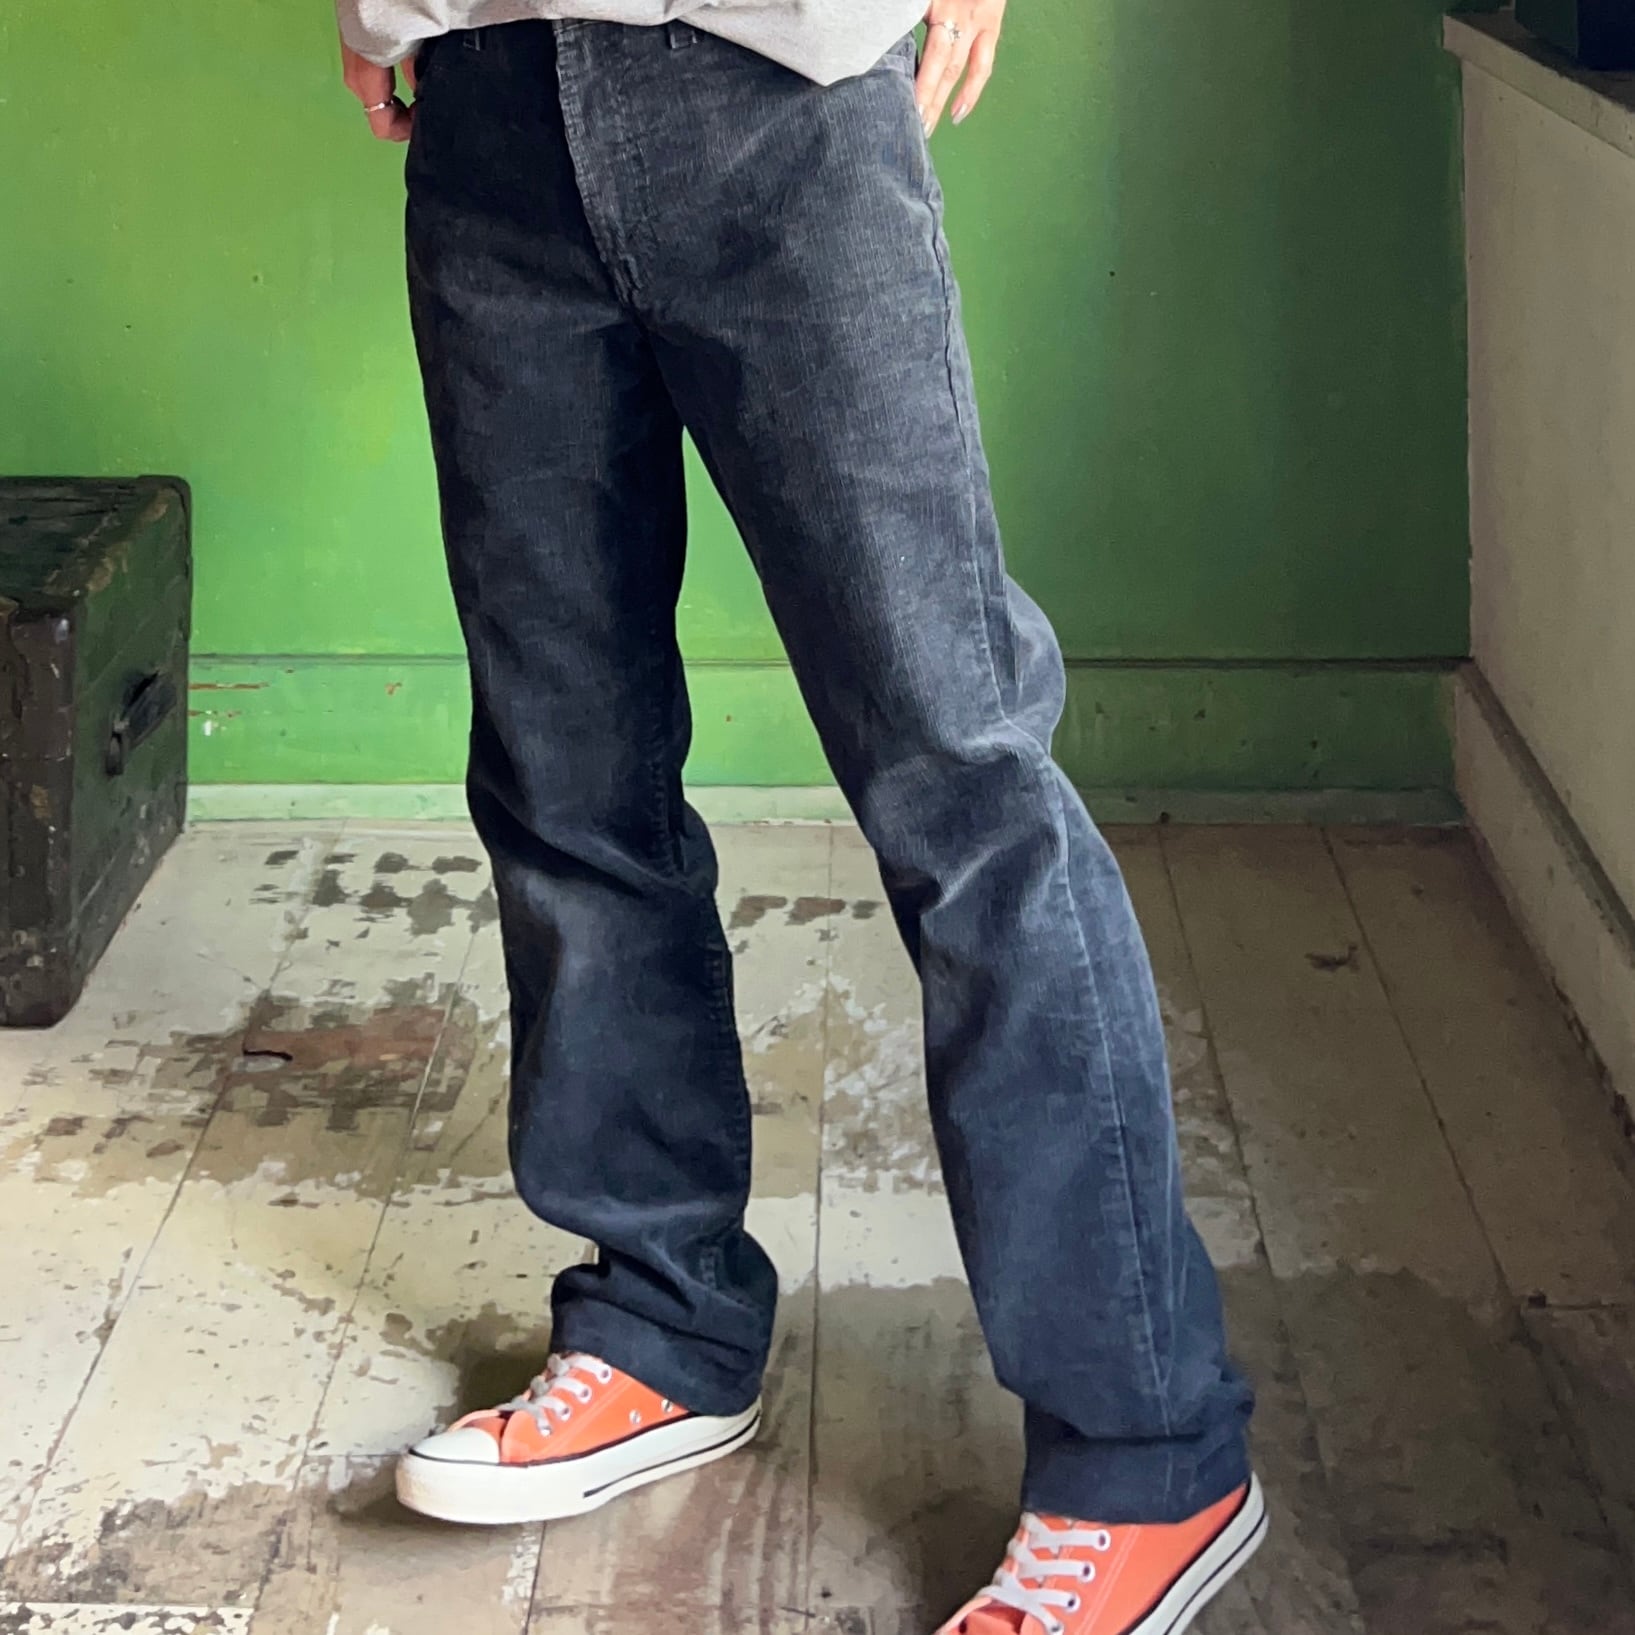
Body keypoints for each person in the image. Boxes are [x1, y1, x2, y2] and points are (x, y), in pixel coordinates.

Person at [337, 4, 1265, 1630]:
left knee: (962, 781)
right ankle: (662, 1323)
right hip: (489, 95)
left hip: (777, 85)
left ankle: (1149, 1453)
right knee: (565, 773)